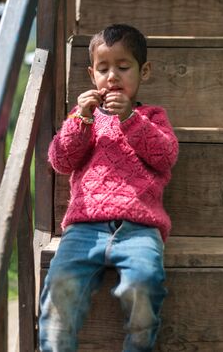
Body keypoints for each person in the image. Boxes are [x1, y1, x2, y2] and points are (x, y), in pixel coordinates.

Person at [39, 24, 179, 352]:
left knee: (144, 285)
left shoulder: (153, 116)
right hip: (84, 227)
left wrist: (131, 119)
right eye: (104, 69)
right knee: (59, 291)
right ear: (92, 75)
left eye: (123, 67)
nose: (112, 76)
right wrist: (79, 120)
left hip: (140, 228)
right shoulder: (84, 118)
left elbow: (165, 156)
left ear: (143, 71)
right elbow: (60, 160)